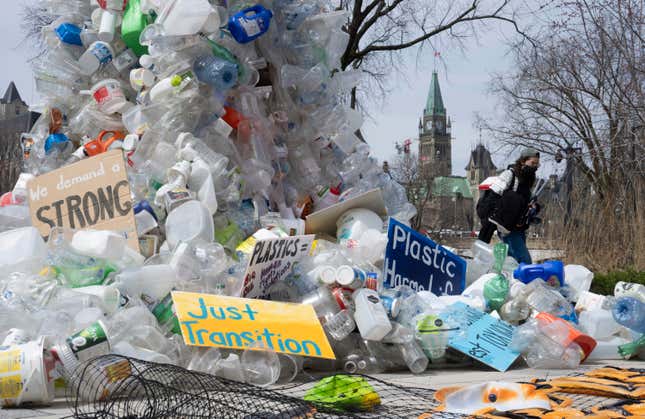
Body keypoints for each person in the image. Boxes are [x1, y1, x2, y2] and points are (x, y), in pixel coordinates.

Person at [476, 148, 541, 264]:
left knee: (512, 260)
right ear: (523, 161)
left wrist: (533, 207)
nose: (535, 167)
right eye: (532, 163)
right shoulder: (509, 175)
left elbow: (524, 202)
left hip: (519, 226)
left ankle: (508, 279)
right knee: (524, 260)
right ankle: (525, 280)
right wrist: (488, 219)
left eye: (537, 164)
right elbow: (493, 196)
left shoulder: (528, 180)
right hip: (507, 227)